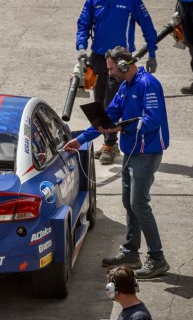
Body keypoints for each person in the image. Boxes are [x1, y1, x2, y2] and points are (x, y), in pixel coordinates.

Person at [63, 47, 170, 279]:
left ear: (123, 65)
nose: (109, 73)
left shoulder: (147, 84)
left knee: (139, 204)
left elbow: (153, 119)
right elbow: (109, 116)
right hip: (132, 152)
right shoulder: (125, 86)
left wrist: (121, 127)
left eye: (111, 69)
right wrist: (80, 139)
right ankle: (132, 252)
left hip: (146, 153)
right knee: (128, 202)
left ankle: (157, 258)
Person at [77, 0, 159, 165]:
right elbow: (83, 25)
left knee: (111, 102)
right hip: (98, 58)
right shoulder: (93, 0)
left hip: (121, 59)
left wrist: (152, 53)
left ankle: (110, 143)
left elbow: (147, 25)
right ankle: (110, 143)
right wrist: (81, 47)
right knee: (99, 103)